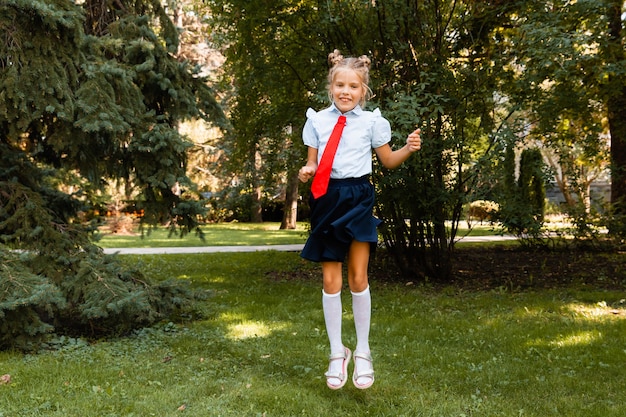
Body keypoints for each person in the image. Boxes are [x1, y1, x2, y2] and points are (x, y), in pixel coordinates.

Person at [298, 49, 422, 390]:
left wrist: (408, 148)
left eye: (353, 86)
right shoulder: (317, 121)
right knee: (330, 282)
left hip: (358, 198)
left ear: (362, 90)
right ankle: (338, 352)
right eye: (340, 85)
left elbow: (388, 161)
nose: (345, 91)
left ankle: (364, 351)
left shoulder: (372, 122)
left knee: (358, 277)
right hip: (326, 198)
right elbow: (312, 161)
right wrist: (308, 170)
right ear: (331, 87)